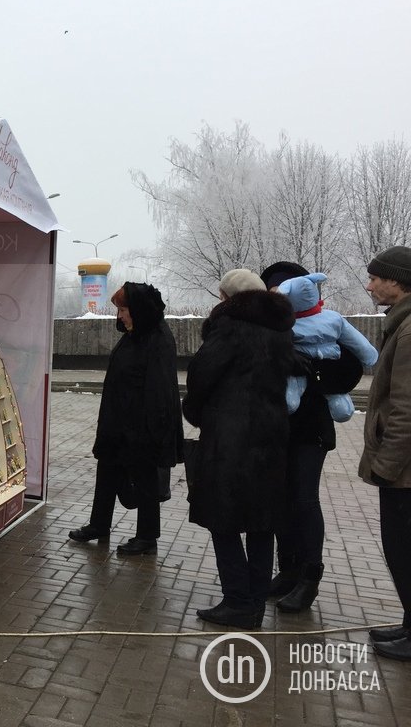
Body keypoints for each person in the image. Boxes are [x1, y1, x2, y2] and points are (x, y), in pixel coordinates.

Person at [183, 268, 294, 629]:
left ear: (229, 297)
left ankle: (236, 601)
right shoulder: (280, 331)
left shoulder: (229, 327)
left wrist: (198, 413)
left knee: (223, 520)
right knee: (262, 524)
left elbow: (202, 374)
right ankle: (256, 603)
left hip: (230, 439)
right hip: (271, 437)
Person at [260, 261, 363, 614]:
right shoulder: (266, 328)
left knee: (304, 499)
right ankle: (287, 569)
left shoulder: (325, 326)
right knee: (279, 499)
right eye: (272, 291)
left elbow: (349, 370)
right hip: (275, 428)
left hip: (310, 428)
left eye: (282, 289)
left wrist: (311, 369)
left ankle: (309, 576)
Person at [68, 282, 183, 556]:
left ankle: (147, 538)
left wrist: (151, 431)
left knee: (145, 481)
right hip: (118, 425)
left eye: (123, 309)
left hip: (141, 428)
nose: (119, 316)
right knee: (107, 473)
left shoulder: (158, 339)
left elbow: (159, 390)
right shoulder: (134, 333)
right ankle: (99, 524)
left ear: (139, 309)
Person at [357, 246, 411, 661]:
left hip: (404, 471)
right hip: (402, 469)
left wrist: (387, 466)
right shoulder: (402, 323)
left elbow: (406, 409)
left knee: (403, 548)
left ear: (398, 281)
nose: (371, 284)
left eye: (377, 277)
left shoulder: (410, 330)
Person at [275, 272, 378, 422]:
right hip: (330, 366)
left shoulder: (287, 324)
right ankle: (342, 407)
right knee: (334, 391)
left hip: (301, 367)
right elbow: (355, 340)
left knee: (290, 397)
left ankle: (288, 402)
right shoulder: (333, 318)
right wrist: (370, 356)